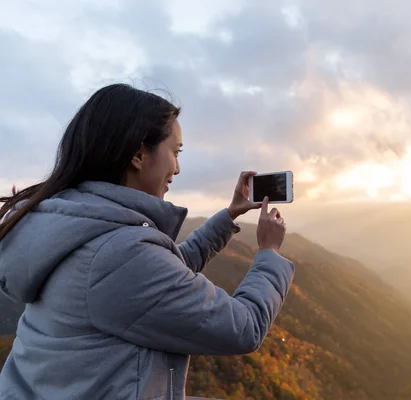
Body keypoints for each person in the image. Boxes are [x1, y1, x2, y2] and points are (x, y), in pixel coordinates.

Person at [0, 84, 294, 400]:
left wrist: (230, 215)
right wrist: (269, 253)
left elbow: (165, 272)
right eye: (175, 152)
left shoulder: (72, 226)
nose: (178, 168)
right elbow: (244, 327)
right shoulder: (118, 253)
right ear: (138, 155)